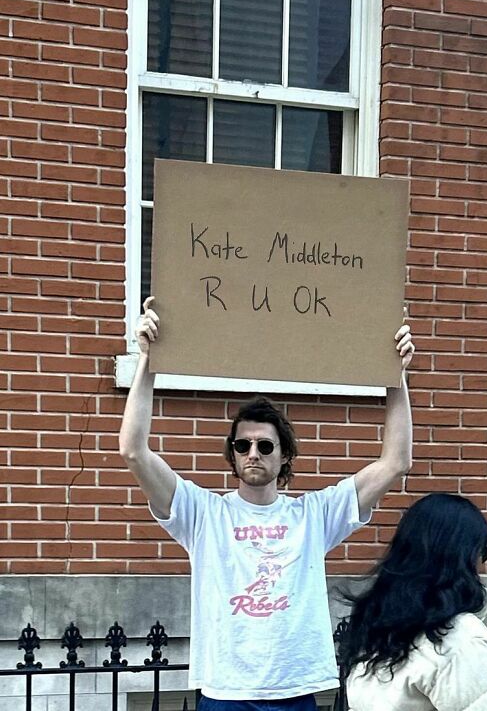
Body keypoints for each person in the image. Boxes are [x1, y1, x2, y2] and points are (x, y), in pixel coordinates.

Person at [118, 296, 414, 710]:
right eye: (242, 445)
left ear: (284, 454)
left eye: (264, 444)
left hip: (294, 692)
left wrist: (393, 376)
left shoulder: (313, 514)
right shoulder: (203, 513)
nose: (252, 452)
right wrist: (147, 362)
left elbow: (396, 462)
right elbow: (133, 451)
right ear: (233, 455)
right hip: (226, 694)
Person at [341, 494, 487, 711]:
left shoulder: (380, 624)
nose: (483, 565)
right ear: (464, 557)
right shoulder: (459, 635)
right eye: (483, 552)